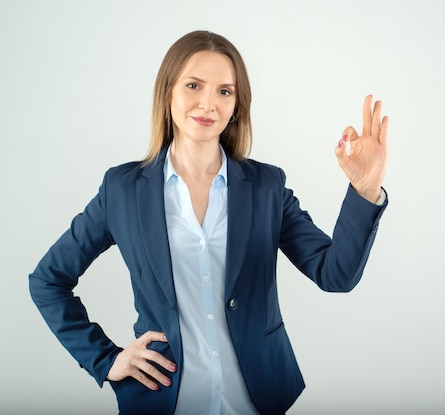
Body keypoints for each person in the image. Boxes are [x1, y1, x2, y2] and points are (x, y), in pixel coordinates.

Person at [29, 30, 388, 415]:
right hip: (162, 399)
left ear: (237, 104)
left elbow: (335, 275)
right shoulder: (122, 189)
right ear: (167, 92)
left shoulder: (266, 187)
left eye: (224, 91)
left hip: (256, 398)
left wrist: (365, 190)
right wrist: (105, 360)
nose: (208, 103)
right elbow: (48, 280)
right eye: (194, 85)